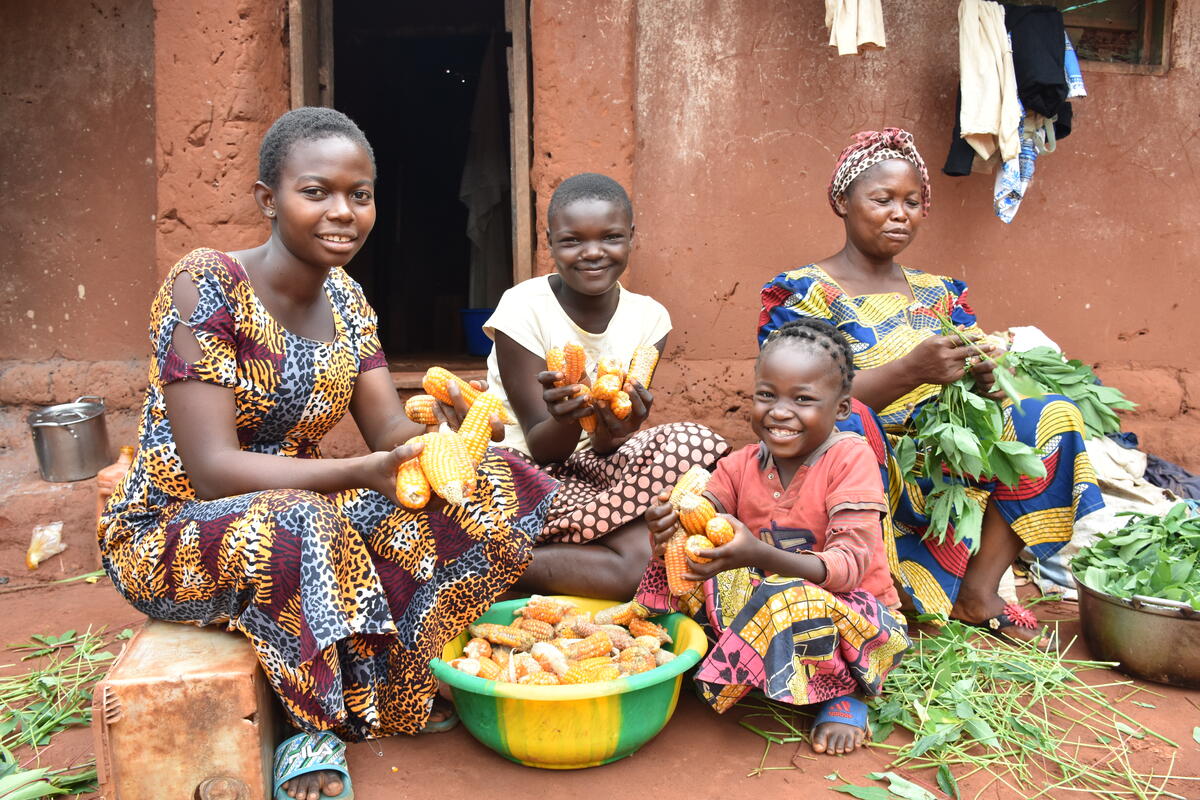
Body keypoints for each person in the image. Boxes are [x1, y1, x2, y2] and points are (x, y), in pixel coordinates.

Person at [97, 107, 557, 800]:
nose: (343, 211)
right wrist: (359, 472)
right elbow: (213, 470)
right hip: (177, 532)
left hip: (309, 512)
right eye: (316, 192)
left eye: (360, 194)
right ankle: (310, 726)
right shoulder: (205, 285)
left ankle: (397, 688)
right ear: (268, 199)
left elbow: (388, 434)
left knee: (495, 483)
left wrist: (451, 439)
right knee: (298, 521)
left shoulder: (347, 300)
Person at [758, 128, 1103, 646]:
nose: (900, 213)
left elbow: (978, 395)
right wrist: (910, 370)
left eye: (913, 202)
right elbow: (797, 404)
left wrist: (987, 379)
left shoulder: (943, 294)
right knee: (850, 426)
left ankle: (976, 593)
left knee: (1048, 414)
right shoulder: (803, 292)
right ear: (842, 203)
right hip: (860, 453)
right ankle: (875, 599)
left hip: (942, 449)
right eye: (882, 199)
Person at [636, 318, 911, 755]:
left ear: (841, 408)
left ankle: (843, 693)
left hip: (852, 619)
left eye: (803, 400)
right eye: (767, 395)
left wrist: (756, 553)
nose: (779, 412)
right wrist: (668, 526)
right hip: (768, 605)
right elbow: (707, 518)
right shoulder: (741, 464)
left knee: (788, 596)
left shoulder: (849, 459)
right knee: (682, 562)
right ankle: (705, 658)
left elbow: (846, 569)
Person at [483, 173, 729, 599]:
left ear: (631, 237)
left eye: (611, 237)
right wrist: (568, 417)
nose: (592, 253)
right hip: (518, 469)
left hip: (591, 472)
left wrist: (621, 426)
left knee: (693, 439)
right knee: (632, 569)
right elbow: (544, 448)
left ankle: (512, 558)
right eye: (572, 240)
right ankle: (497, 563)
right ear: (549, 241)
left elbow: (603, 446)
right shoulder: (522, 307)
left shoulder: (649, 318)